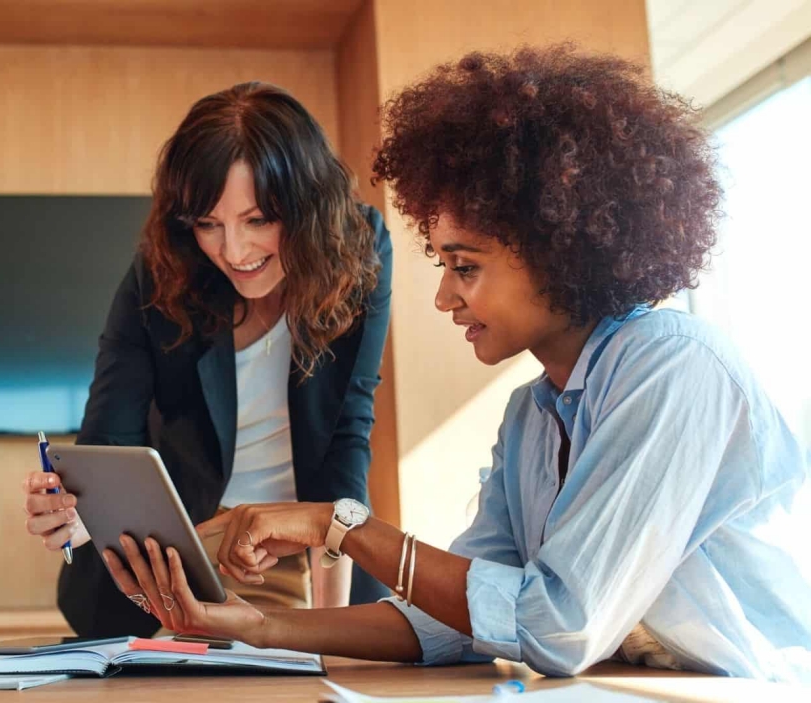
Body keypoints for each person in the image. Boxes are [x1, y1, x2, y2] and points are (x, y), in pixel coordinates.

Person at [102, 45, 811, 683]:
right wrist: (260, 628)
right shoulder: (530, 417)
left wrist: (336, 525)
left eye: (464, 267)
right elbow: (456, 622)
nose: (443, 297)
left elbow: (555, 624)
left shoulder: (674, 367)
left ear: (557, 249)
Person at [21, 81, 394, 637]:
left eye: (258, 220)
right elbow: (109, 440)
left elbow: (346, 433)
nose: (234, 252)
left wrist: (332, 629)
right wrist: (76, 514)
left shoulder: (357, 249)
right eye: (208, 224)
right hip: (176, 562)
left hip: (311, 555)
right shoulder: (163, 270)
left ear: (308, 207)